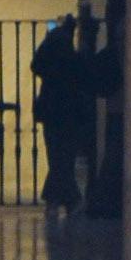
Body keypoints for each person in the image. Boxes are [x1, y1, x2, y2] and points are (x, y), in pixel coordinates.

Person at [31, 14, 92, 211]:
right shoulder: (71, 58)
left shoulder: (49, 60)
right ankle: (67, 198)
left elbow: (36, 65)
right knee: (64, 158)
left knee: (57, 158)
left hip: (52, 111)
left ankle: (57, 198)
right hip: (69, 112)